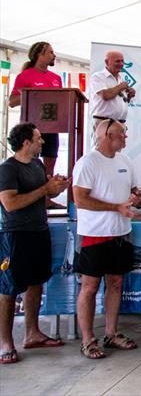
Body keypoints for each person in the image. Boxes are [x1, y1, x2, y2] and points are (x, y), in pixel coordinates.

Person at [72, 120, 141, 359]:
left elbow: (136, 194)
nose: (125, 137)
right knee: (90, 287)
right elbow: (80, 200)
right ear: (106, 135)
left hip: (121, 232)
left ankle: (111, 333)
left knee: (115, 283)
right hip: (95, 234)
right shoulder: (87, 162)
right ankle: (87, 339)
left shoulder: (125, 161)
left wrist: (136, 200)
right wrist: (115, 207)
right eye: (122, 134)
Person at [0, 123, 70, 365]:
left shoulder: (38, 165)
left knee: (36, 283)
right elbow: (10, 203)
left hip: (40, 230)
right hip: (15, 235)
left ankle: (33, 332)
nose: (43, 142)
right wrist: (44, 190)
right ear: (25, 142)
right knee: (8, 290)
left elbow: (45, 196)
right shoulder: (8, 169)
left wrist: (57, 189)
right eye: (39, 138)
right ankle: (6, 342)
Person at [8, 42, 62, 185]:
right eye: (50, 52)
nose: (54, 55)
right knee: (30, 164)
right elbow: (12, 101)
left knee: (49, 164)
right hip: (31, 128)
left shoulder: (56, 78)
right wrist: (34, 95)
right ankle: (31, 195)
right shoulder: (24, 76)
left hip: (53, 126)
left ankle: (46, 198)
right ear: (40, 54)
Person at [88, 50, 135, 138]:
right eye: (117, 61)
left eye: (122, 61)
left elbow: (120, 100)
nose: (121, 64)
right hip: (103, 122)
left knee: (116, 151)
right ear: (107, 62)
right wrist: (121, 86)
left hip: (119, 123)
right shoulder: (98, 77)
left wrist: (129, 96)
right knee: (100, 150)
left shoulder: (120, 78)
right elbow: (105, 95)